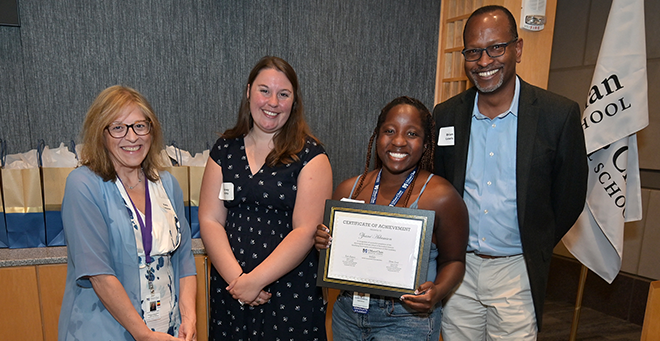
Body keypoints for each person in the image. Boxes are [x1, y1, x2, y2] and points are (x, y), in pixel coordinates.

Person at [433, 5, 588, 340]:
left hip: (517, 270)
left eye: (496, 48)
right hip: (460, 269)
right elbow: (438, 188)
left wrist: (536, 241)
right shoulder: (446, 116)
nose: (484, 61)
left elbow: (570, 195)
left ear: (517, 48)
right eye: (474, 51)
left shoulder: (557, 115)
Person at [199, 56, 333, 340]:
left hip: (288, 292)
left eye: (283, 94)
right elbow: (210, 218)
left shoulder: (311, 156)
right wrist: (239, 281)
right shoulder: (224, 149)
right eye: (264, 90)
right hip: (231, 289)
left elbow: (306, 230)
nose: (272, 102)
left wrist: (255, 281)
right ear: (248, 91)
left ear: (294, 102)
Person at [315, 96, 469, 341]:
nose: (398, 141)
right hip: (348, 313)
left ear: (426, 144)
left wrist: (437, 291)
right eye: (389, 131)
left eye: (412, 134)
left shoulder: (441, 197)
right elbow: (334, 255)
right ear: (377, 135)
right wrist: (323, 243)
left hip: (407, 318)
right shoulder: (348, 190)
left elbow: (455, 261)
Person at [58, 85, 197, 341]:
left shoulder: (167, 185)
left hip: (168, 331)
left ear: (151, 131)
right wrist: (142, 334)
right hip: (107, 331)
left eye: (140, 126)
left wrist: (188, 317)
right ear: (101, 134)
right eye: (118, 127)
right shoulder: (83, 186)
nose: (132, 137)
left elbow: (185, 259)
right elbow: (98, 274)